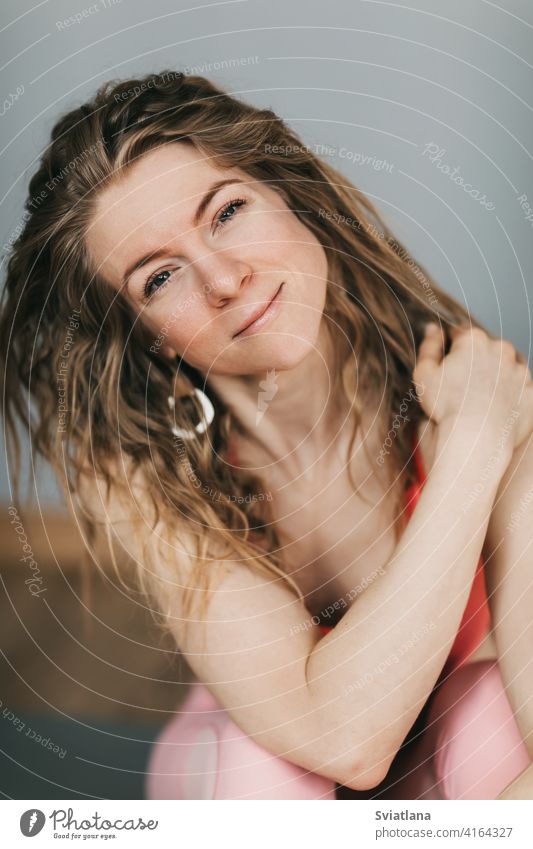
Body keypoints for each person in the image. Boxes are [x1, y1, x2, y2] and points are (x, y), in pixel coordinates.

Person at [2, 70, 533, 800]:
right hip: (247, 779)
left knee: (492, 723)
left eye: (226, 212)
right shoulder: (141, 474)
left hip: (438, 774)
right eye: (160, 279)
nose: (223, 278)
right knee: (264, 771)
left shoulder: (479, 393)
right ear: (149, 337)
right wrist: (470, 459)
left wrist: (476, 440)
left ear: (291, 195)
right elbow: (346, 743)